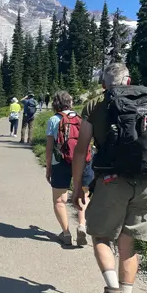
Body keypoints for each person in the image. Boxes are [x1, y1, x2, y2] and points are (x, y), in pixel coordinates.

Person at [71, 63, 147, 293]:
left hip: (111, 181)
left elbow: (81, 150)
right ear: (129, 80)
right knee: (129, 243)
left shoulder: (94, 105)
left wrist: (78, 187)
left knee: (100, 236)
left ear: (103, 84)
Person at [45, 91, 94, 246]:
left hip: (60, 162)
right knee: (84, 194)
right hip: (83, 161)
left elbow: (49, 146)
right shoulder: (82, 119)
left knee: (60, 199)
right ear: (70, 103)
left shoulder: (53, 120)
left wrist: (48, 167)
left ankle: (66, 233)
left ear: (55, 104)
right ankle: (81, 225)